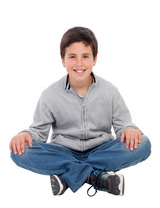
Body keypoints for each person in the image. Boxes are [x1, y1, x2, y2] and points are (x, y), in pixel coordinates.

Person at [9, 27, 151, 197]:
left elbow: (123, 126)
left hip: (101, 150)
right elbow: (38, 132)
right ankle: (95, 176)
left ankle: (69, 175)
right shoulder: (50, 94)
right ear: (63, 60)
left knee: (143, 143)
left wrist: (130, 128)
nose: (79, 63)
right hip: (63, 151)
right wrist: (25, 135)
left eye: (85, 56)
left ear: (94, 59)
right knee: (19, 152)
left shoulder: (110, 91)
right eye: (72, 57)